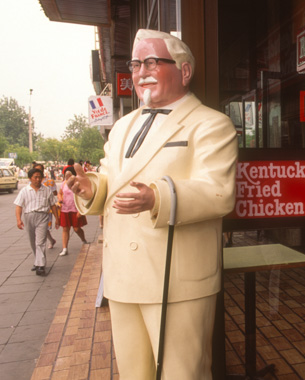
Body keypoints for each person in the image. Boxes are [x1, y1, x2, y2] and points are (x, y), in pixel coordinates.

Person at [67, 29, 237, 379]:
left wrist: (157, 196)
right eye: (135, 63)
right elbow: (111, 179)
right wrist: (90, 188)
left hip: (177, 277)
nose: (140, 71)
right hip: (123, 275)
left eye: (151, 62)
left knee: (182, 373)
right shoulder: (123, 126)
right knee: (133, 372)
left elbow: (219, 191)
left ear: (184, 71)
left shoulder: (211, 124)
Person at [14, 168, 60, 276]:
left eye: (40, 177)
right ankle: (37, 260)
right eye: (35, 177)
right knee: (32, 241)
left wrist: (57, 219)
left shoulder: (47, 190)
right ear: (30, 178)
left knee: (40, 241)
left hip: (43, 216)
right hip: (29, 216)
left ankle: (40, 265)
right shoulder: (25, 190)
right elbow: (19, 205)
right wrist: (18, 220)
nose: (38, 179)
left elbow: (53, 205)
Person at [57, 167, 88, 256]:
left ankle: (83, 240)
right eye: (66, 175)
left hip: (75, 209)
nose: (68, 177)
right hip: (65, 209)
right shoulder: (63, 184)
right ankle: (64, 248)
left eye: (69, 175)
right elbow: (60, 193)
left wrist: (81, 210)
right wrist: (59, 198)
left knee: (76, 228)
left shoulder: (78, 184)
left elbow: (83, 197)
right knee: (65, 228)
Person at [33, 163, 58, 249]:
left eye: (39, 169)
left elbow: (55, 193)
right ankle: (51, 240)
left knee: (44, 228)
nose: (38, 172)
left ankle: (42, 245)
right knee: (41, 228)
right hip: (35, 209)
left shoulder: (49, 181)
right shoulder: (31, 182)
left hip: (47, 209)